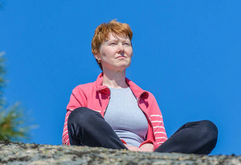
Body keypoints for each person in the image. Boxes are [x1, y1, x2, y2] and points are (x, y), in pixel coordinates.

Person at [62, 20, 218, 154]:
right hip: (105, 153)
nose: (121, 49)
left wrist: (150, 147)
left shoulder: (146, 98)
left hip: (148, 156)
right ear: (97, 54)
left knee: (207, 129)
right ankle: (122, 156)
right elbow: (69, 139)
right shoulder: (83, 92)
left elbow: (161, 140)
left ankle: (152, 164)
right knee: (80, 116)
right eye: (113, 44)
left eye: (126, 44)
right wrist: (125, 148)